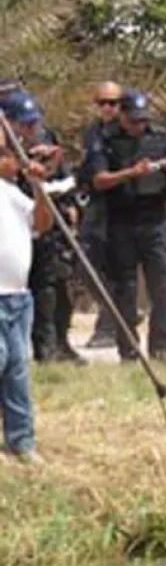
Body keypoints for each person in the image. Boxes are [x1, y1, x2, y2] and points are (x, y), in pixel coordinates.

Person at [90, 89, 166, 363]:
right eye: (133, 120)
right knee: (126, 288)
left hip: (155, 221)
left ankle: (162, 348)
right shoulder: (105, 139)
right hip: (121, 222)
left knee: (164, 285)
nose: (139, 125)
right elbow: (98, 180)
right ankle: (129, 350)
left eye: (143, 120)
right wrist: (130, 173)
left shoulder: (158, 136)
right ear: (121, 116)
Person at [6, 90, 85, 365]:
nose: (31, 130)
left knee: (56, 285)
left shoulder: (46, 139)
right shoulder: (6, 148)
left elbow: (65, 178)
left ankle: (57, 344)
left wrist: (51, 170)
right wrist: (23, 160)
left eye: (34, 123)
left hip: (48, 220)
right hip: (15, 228)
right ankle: (37, 346)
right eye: (24, 124)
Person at [0, 146, 54, 463]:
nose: (15, 161)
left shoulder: (11, 193)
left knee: (17, 370)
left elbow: (41, 223)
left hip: (18, 297)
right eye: (6, 155)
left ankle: (22, 440)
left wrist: (38, 187)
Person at [79, 81, 123, 349]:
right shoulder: (93, 132)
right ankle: (116, 314)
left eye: (113, 102)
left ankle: (110, 324)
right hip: (96, 206)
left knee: (115, 269)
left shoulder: (129, 132)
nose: (107, 108)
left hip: (119, 208)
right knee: (86, 266)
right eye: (102, 103)